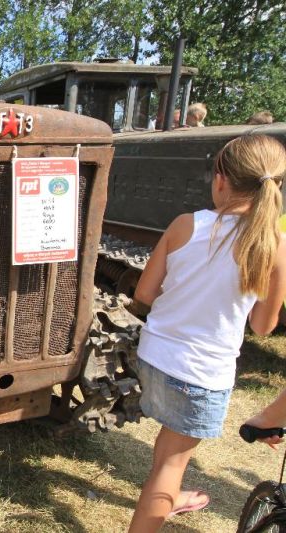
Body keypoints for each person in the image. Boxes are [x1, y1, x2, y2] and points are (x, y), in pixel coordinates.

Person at [128, 135, 286, 531]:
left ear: (220, 180)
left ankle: (169, 494)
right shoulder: (275, 247)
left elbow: (144, 293)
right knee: (170, 463)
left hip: (155, 358)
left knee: (168, 452)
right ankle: (162, 497)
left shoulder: (185, 225)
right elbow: (263, 326)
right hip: (201, 376)